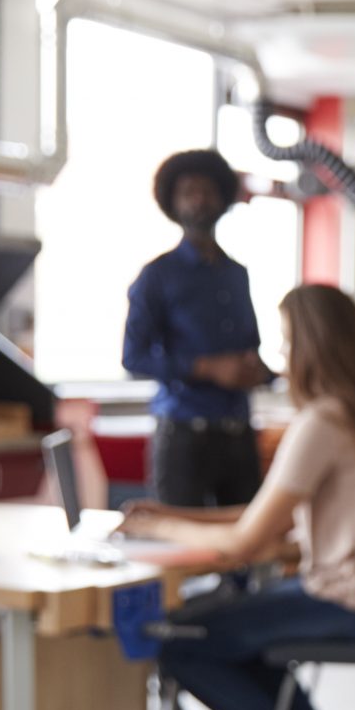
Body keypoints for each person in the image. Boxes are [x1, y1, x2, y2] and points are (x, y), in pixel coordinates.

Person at [121, 285, 355, 710]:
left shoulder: (324, 421)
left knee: (179, 639)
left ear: (314, 348)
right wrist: (172, 514)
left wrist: (155, 526)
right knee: (228, 631)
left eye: (287, 344)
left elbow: (248, 543)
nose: (281, 359)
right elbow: (266, 515)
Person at [122, 148, 272, 508]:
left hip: (238, 433)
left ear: (223, 199)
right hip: (183, 435)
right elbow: (133, 358)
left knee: (245, 550)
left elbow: (251, 344)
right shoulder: (157, 276)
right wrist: (205, 368)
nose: (200, 200)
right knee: (180, 548)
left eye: (207, 191)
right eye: (189, 192)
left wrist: (259, 371)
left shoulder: (236, 274)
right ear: (173, 203)